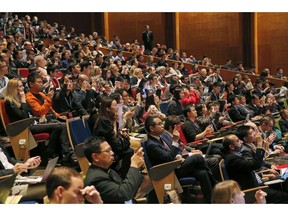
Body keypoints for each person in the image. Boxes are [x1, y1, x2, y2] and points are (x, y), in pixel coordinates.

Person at [145, 115, 216, 203]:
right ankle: (216, 186)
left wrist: (177, 156)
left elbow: (170, 154)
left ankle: (211, 200)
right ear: (151, 128)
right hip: (168, 172)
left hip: (175, 165)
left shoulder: (159, 138)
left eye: (162, 123)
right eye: (159, 124)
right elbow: (167, 158)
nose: (162, 125)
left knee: (202, 173)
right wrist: (175, 141)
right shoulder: (151, 144)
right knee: (198, 157)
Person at [222, 134, 288, 203]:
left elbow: (247, 172)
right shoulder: (232, 160)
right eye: (238, 141)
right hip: (255, 191)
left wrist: (265, 175)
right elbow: (255, 165)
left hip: (260, 185)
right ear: (231, 146)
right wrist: (259, 145)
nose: (241, 142)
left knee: (284, 184)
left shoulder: (235, 156)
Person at [83, 136, 144, 203]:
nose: (112, 153)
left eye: (111, 149)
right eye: (108, 151)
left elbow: (125, 188)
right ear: (96, 157)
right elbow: (124, 194)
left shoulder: (107, 169)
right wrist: (134, 166)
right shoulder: (96, 179)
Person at [93, 96, 134, 179]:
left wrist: (122, 134)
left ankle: (122, 174)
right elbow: (113, 135)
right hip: (103, 148)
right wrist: (116, 120)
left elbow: (117, 132)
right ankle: (122, 176)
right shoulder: (103, 120)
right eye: (115, 105)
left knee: (129, 150)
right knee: (128, 152)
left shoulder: (108, 118)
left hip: (112, 145)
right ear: (108, 109)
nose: (117, 107)